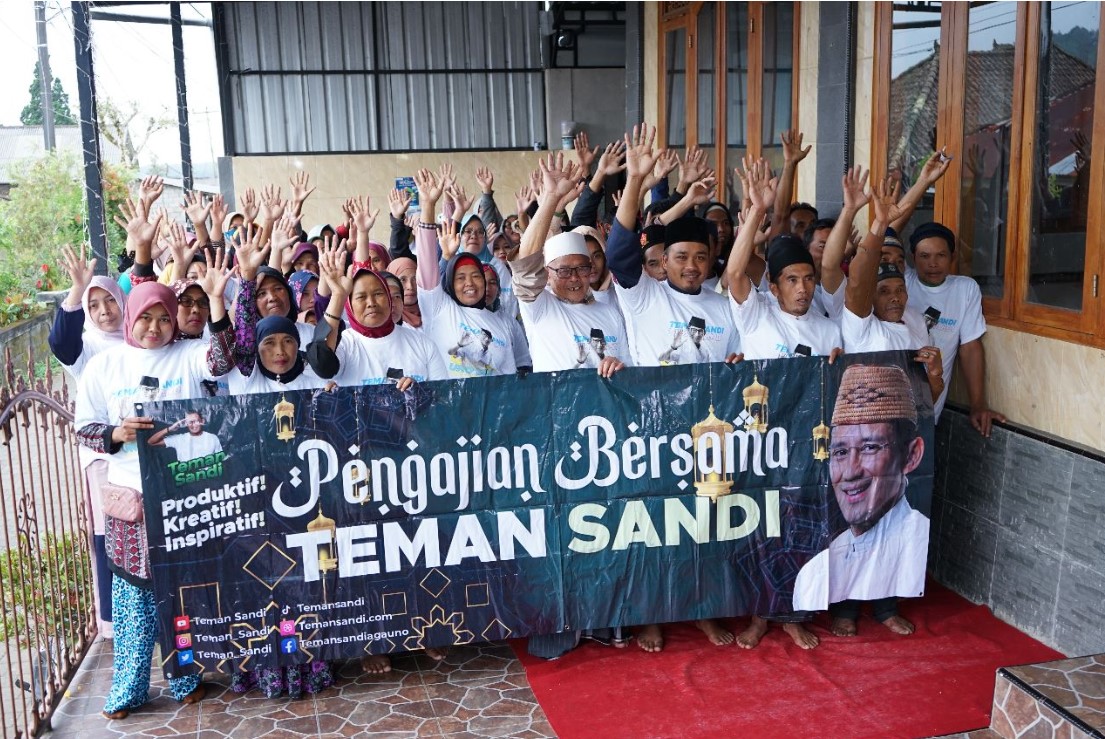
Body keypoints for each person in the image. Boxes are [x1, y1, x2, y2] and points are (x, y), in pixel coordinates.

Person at [74, 258, 235, 719]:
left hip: (184, 495)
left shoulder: (189, 354)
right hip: (133, 501)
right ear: (131, 317)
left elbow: (223, 360)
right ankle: (129, 689)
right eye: (146, 317)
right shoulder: (105, 366)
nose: (155, 327)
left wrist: (217, 301)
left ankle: (185, 677)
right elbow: (84, 429)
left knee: (182, 593)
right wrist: (117, 433)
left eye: (165, 318)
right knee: (133, 597)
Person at [604, 123, 741, 653]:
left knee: (706, 525)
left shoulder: (723, 305)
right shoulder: (644, 296)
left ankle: (702, 610)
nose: (691, 265)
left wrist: (737, 365)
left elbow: (738, 363)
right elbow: (620, 251)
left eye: (700, 257)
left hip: (709, 437)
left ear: (711, 261)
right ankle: (651, 616)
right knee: (652, 528)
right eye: (681, 257)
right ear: (664, 262)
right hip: (652, 432)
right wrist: (637, 182)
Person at [725, 157, 842, 651]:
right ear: (773, 287)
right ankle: (758, 615)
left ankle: (793, 614)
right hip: (761, 448)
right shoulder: (758, 318)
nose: (802, 288)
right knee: (760, 531)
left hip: (808, 452)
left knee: (801, 531)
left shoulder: (828, 329)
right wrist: (756, 209)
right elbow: (735, 271)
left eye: (808, 279)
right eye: (791, 280)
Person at [792, 364, 929, 636]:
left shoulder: (918, 535)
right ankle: (845, 610)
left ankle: (886, 608)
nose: (851, 472)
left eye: (869, 448)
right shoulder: (815, 569)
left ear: (911, 455)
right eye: (840, 452)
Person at [413, 168, 525, 378]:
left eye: (476, 276)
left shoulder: (500, 323)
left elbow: (508, 376)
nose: (470, 283)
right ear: (450, 283)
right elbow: (427, 265)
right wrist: (428, 205)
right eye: (460, 278)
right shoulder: (439, 308)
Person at [905, 221, 1005, 433]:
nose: (933, 264)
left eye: (941, 255)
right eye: (924, 256)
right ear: (913, 258)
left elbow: (970, 347)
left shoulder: (965, 289)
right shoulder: (901, 283)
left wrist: (977, 404)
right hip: (893, 402)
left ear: (952, 257)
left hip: (929, 411)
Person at [148, 410, 223, 460]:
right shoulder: (179, 439)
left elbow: (221, 460)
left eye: (196, 421)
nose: (193, 425)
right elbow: (151, 442)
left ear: (202, 421)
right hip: (187, 478)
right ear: (186, 423)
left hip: (210, 477)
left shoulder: (212, 438)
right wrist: (169, 429)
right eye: (190, 422)